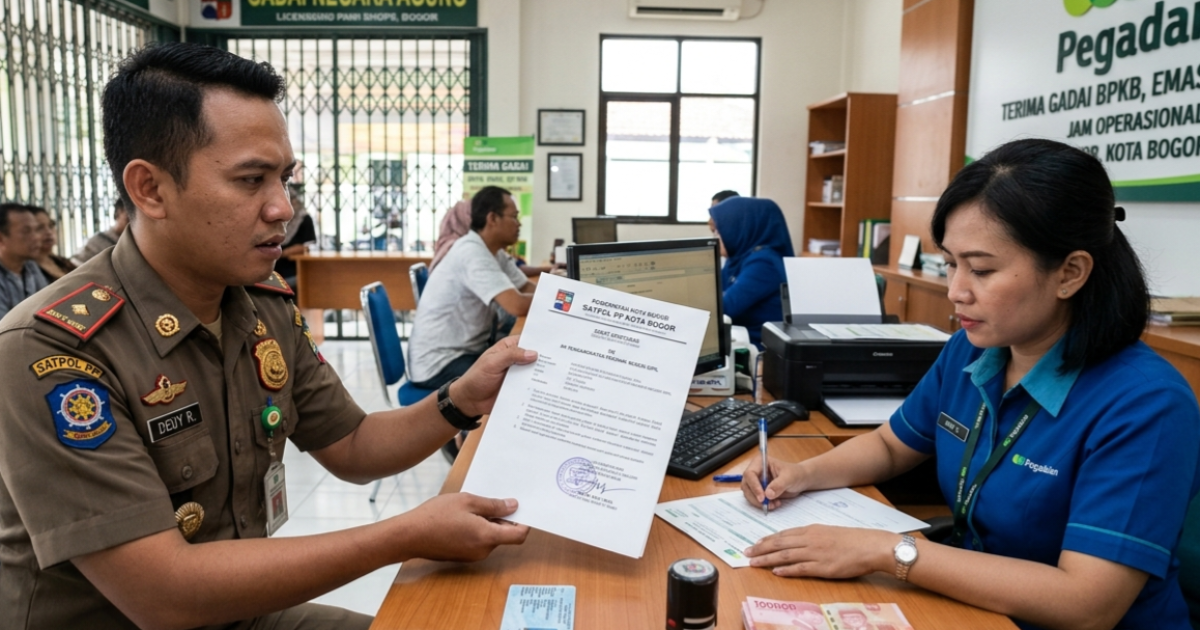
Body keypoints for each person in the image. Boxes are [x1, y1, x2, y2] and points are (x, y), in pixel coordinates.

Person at [0, 42, 533, 630]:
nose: (282, 208)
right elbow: (163, 595)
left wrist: (460, 400)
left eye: (284, 178)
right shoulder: (52, 350)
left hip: (234, 613)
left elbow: (353, 444)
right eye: (251, 180)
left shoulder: (258, 303)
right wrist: (405, 534)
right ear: (149, 189)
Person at [740, 139, 1200, 630]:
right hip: (973, 606)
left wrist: (885, 551)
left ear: (1070, 273)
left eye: (981, 269)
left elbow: (1086, 603)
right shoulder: (974, 348)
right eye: (952, 263)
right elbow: (892, 446)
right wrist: (803, 475)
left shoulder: (1146, 405)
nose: (957, 290)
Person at [408, 185, 534, 390]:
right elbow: (517, 305)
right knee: (518, 378)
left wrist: (560, 293)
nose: (518, 223)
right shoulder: (471, 253)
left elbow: (526, 286)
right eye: (514, 216)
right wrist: (563, 300)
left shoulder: (493, 251)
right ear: (492, 218)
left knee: (524, 363)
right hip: (440, 363)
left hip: (466, 351)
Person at [708, 196, 794, 347]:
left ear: (740, 229)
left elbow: (725, 307)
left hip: (757, 350)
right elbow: (712, 290)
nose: (716, 238)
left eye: (720, 232)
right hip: (736, 338)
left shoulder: (765, 263)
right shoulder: (738, 257)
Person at [0, 202, 48, 320]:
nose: (36, 237)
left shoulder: (31, 267)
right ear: (1, 238)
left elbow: (48, 308)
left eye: (36, 230)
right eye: (26, 231)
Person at [70, 198, 130, 266]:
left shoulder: (136, 243)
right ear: (118, 212)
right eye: (128, 214)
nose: (132, 220)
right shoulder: (98, 241)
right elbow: (77, 264)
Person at [29, 205, 78, 280]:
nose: (48, 232)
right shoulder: (28, 270)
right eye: (39, 228)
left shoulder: (61, 262)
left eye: (51, 225)